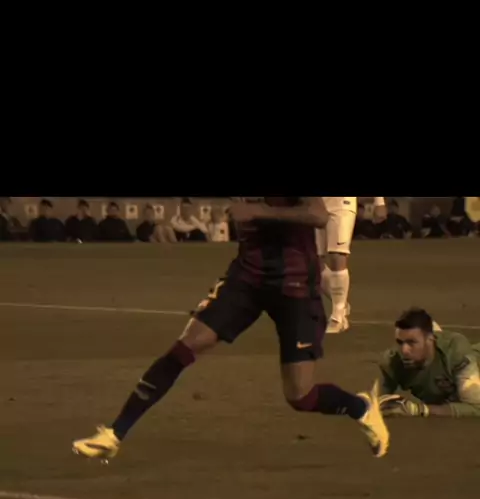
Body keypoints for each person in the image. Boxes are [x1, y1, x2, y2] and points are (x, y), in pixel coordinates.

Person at [72, 197, 390, 462]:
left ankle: (360, 407)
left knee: (300, 396)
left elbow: (318, 215)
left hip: (295, 285)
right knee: (186, 345)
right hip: (246, 279)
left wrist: (259, 212)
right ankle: (114, 434)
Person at [379, 308, 480, 417]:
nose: (404, 351)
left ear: (430, 340)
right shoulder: (392, 363)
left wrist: (419, 409)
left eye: (411, 342)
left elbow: (476, 408)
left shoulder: (455, 352)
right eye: (400, 342)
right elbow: (377, 404)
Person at [316, 196, 387, 334]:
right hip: (316, 204)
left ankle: (338, 316)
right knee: (312, 262)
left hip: (341, 203)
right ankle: (341, 303)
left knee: (337, 255)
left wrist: (379, 202)